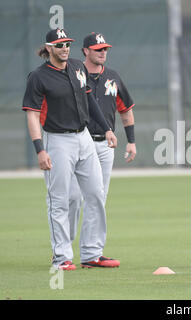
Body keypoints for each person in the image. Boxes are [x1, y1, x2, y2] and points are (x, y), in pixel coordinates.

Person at [22, 28, 119, 270]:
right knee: (60, 200)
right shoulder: (39, 77)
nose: (65, 48)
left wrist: (107, 128)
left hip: (84, 137)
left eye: (67, 44)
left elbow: (89, 100)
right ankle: (61, 257)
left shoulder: (77, 67)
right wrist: (39, 150)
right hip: (57, 140)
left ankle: (92, 253)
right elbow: (33, 116)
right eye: (59, 44)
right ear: (49, 48)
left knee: (96, 194)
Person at [67, 33, 136, 264]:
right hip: (79, 140)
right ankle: (63, 249)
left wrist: (131, 141)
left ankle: (92, 253)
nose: (103, 52)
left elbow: (125, 109)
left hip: (105, 144)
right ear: (85, 51)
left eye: (105, 48)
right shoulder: (75, 74)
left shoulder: (113, 77)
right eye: (98, 49)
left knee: (97, 198)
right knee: (73, 197)